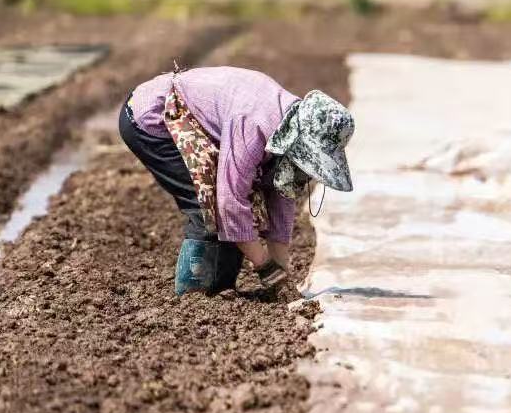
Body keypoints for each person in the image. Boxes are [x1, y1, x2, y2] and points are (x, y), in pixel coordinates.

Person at [118, 66, 354, 296]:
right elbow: (229, 202)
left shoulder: (288, 123)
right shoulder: (254, 123)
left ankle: (220, 288)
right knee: (206, 203)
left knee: (241, 205)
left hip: (198, 123)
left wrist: (281, 267)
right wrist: (264, 265)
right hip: (154, 116)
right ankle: (194, 295)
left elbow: (281, 192)